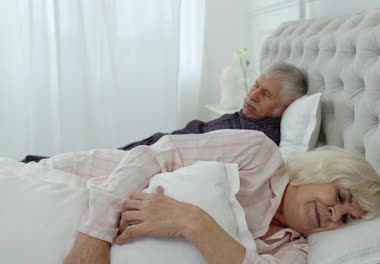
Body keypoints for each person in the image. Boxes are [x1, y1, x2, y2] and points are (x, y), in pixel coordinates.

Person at [52, 129, 380, 264]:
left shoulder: (291, 248)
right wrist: (92, 238)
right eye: (340, 196)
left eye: (346, 218)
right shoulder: (259, 154)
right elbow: (154, 155)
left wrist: (192, 222)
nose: (334, 214)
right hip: (81, 185)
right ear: (321, 172)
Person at [21, 62, 307, 163]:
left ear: (287, 107)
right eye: (255, 85)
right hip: (165, 142)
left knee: (91, 162)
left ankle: (36, 165)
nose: (252, 95)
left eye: (265, 94)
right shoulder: (253, 117)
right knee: (95, 156)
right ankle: (40, 164)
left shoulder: (258, 139)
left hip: (163, 154)